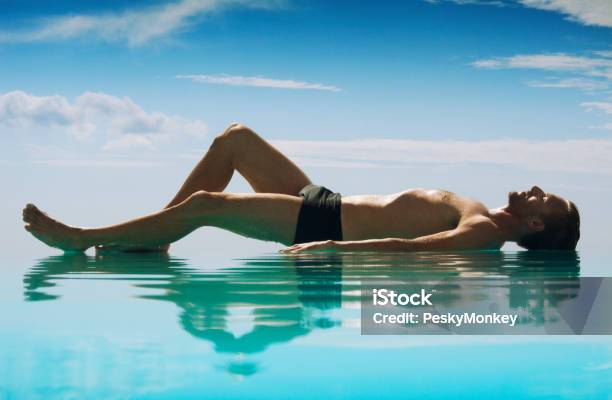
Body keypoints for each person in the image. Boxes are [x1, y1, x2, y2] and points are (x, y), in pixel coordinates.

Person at [22, 123, 580, 253]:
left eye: (544, 198)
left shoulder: (480, 233)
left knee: (207, 205)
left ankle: (83, 238)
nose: (534, 188)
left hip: (321, 226)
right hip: (326, 200)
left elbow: (408, 253)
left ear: (535, 225)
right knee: (235, 140)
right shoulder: (478, 208)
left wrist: (332, 249)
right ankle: (156, 238)